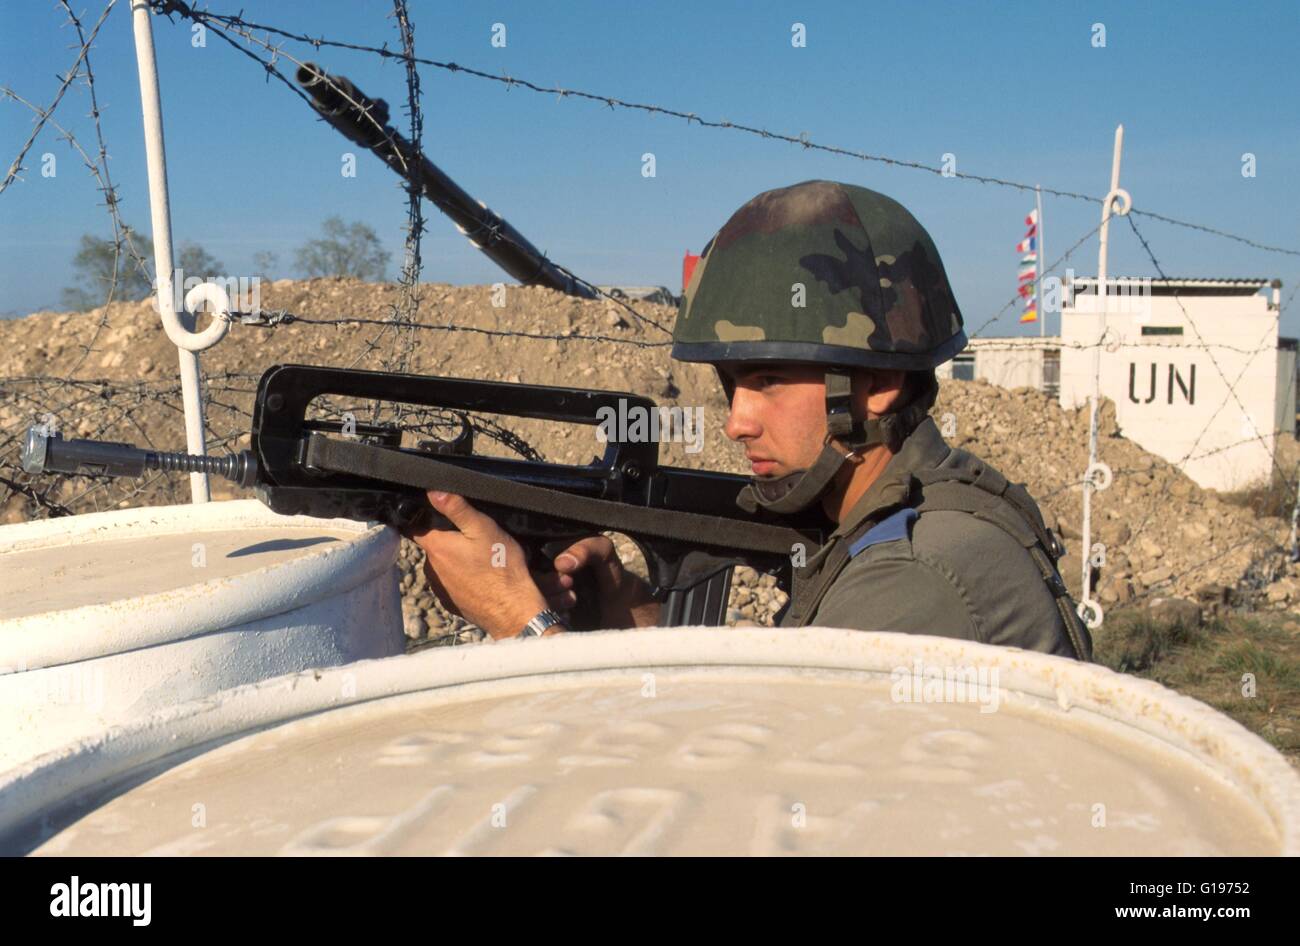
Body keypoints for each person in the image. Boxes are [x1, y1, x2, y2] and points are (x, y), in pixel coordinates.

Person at [406, 179, 1092, 661]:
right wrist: (627, 612)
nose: (737, 422)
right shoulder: (883, 518)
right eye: (733, 385)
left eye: (767, 381)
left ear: (878, 383)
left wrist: (523, 626)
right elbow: (757, 707)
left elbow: (742, 803)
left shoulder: (915, 575)